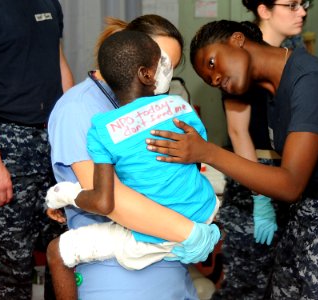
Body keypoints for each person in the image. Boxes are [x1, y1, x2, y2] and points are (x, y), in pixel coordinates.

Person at [145, 20, 318, 299]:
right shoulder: (275, 90)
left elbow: (290, 183)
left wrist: (207, 152)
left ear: (237, 39)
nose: (214, 79)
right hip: (309, 211)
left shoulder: (309, 81)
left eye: (213, 63)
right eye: (207, 78)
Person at [47, 15, 220, 300]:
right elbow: (114, 200)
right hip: (117, 270)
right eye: (163, 63)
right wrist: (192, 231)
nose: (165, 74)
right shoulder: (78, 109)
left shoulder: (156, 108)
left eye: (172, 68)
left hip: (171, 263)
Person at [0, 0, 73, 299]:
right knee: (14, 267)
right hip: (7, 146)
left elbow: (59, 65)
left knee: (65, 254)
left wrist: (74, 138)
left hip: (52, 144)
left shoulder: (49, 3)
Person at [213, 1, 309, 298]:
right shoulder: (243, 57)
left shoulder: (296, 56)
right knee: (246, 284)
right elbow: (238, 131)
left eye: (304, 4)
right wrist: (260, 198)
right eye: (291, 5)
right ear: (263, 9)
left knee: (289, 282)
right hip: (255, 176)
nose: (301, 11)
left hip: (293, 175)